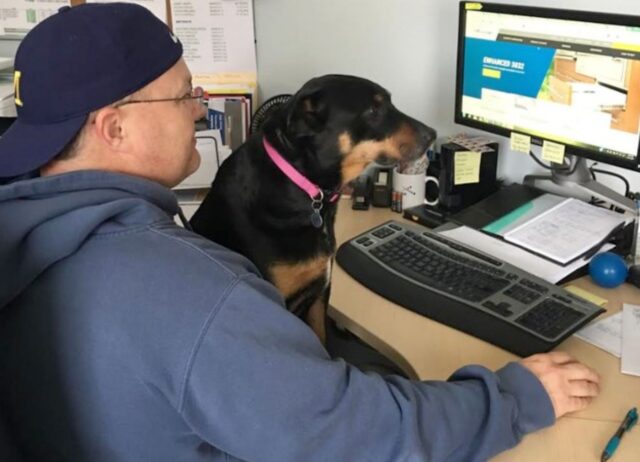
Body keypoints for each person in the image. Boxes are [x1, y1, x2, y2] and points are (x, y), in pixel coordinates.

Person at [0, 4, 600, 462]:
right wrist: (517, 398)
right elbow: (351, 433)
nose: (197, 109)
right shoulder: (184, 290)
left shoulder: (25, 227)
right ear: (114, 129)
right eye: (185, 93)